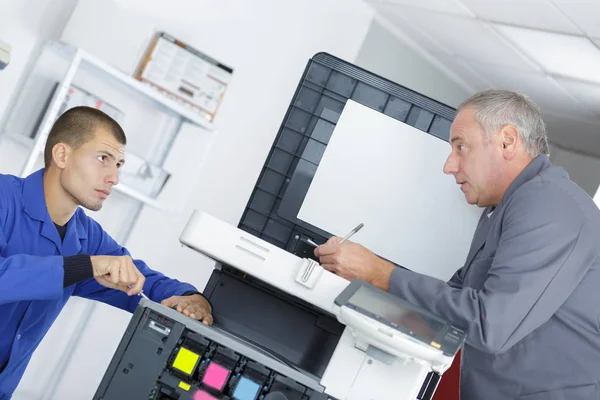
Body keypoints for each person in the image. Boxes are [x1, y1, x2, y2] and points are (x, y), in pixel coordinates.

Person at [315, 89, 600, 400]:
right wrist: (365, 280)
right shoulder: (503, 209)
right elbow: (454, 303)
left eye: (461, 147)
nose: (449, 166)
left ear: (507, 141)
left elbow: (490, 325)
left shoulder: (549, 203)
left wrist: (380, 274)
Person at [0, 106, 213, 398]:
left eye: (119, 165)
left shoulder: (87, 237)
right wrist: (84, 266)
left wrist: (191, 299)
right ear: (62, 155)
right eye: (103, 159)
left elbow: (140, 278)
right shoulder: (4, 199)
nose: (114, 177)